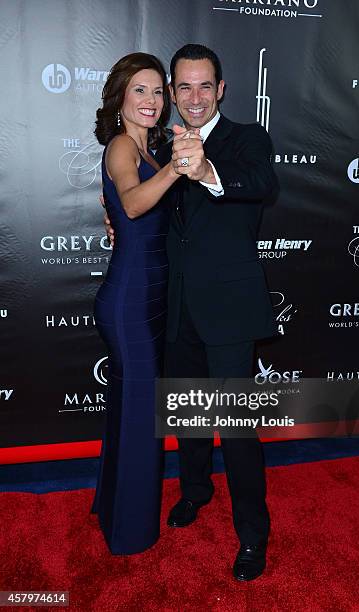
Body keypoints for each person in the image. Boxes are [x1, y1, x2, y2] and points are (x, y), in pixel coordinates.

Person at [106, 44, 278, 580]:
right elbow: (135, 203)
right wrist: (113, 221)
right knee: (190, 422)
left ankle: (253, 535)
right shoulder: (159, 146)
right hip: (176, 312)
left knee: (239, 431)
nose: (194, 97)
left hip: (229, 311)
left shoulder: (247, 138)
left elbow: (263, 185)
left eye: (205, 86)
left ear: (221, 89)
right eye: (183, 87)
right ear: (174, 94)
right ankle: (196, 492)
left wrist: (206, 170)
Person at [90, 52, 181, 555]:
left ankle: (113, 511)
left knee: (132, 411)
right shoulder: (124, 145)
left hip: (151, 300)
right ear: (121, 99)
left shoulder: (152, 150)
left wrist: (170, 165)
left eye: (157, 91)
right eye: (140, 91)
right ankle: (130, 533)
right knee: (143, 416)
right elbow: (129, 203)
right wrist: (176, 170)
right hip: (128, 304)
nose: (151, 100)